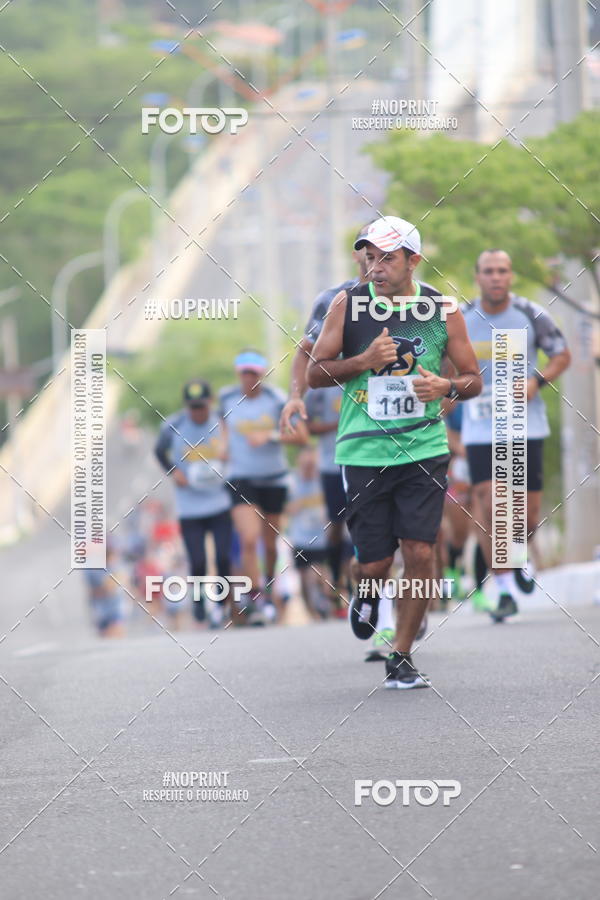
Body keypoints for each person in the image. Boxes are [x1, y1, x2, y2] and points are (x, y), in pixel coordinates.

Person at [307, 215, 482, 688]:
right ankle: (366, 589)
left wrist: (445, 384)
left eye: (388, 257)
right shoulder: (348, 306)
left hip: (423, 447)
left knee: (421, 552)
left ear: (413, 261)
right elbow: (314, 374)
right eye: (371, 256)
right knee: (377, 562)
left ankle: (401, 655)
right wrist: (363, 361)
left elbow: (473, 379)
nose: (376, 266)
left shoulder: (442, 310)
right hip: (364, 451)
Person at [461, 249, 571, 622]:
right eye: (489, 271)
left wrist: (536, 381)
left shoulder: (532, 313)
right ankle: (504, 590)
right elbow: (443, 364)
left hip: (526, 425)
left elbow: (561, 354)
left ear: (511, 276)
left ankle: (519, 554)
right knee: (491, 507)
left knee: (525, 515)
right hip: (480, 426)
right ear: (478, 276)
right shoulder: (459, 318)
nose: (496, 277)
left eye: (502, 271)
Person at [219, 350, 309, 622]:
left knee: (270, 545)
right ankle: (255, 596)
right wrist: (222, 448)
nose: (249, 379)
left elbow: (303, 436)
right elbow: (223, 429)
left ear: (262, 375)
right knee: (249, 539)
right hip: (240, 478)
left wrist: (270, 435)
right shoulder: (226, 399)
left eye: (254, 374)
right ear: (238, 374)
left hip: (274, 478)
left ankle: (268, 586)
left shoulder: (277, 399)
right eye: (244, 373)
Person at [155, 379, 233, 626]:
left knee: (222, 557)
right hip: (190, 507)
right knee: (198, 560)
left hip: (219, 502)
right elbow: (159, 451)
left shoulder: (222, 422)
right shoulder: (173, 425)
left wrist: (227, 455)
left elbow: (236, 445)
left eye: (202, 406)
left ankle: (221, 605)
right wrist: (173, 472)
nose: (198, 412)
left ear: (210, 403)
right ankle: (199, 601)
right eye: (193, 407)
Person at [304, 385, 353, 612]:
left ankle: (358, 583)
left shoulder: (363, 372)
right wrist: (338, 424)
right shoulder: (319, 388)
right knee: (337, 523)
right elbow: (307, 427)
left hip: (360, 461)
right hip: (330, 464)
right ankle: (335, 577)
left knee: (360, 521)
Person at [286, 447, 331, 620]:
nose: (308, 469)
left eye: (311, 465)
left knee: (319, 571)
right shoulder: (292, 482)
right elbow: (284, 509)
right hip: (300, 538)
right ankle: (311, 610)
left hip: (321, 538)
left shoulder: (322, 481)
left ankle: (325, 601)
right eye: (305, 465)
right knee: (304, 576)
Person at [84, 542, 128, 638]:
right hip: (101, 607)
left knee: (117, 630)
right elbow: (91, 591)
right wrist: (105, 590)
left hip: (115, 607)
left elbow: (122, 583)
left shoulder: (118, 568)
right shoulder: (93, 570)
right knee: (105, 634)